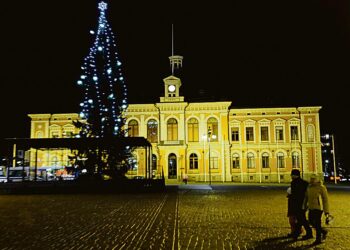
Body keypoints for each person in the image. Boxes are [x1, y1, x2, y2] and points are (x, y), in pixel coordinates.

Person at [303, 174, 330, 245]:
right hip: (311, 207)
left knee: (317, 223)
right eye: (311, 179)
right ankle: (323, 231)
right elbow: (306, 197)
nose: (312, 180)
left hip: (319, 208)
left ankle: (318, 239)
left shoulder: (321, 187)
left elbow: (325, 199)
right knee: (311, 221)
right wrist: (304, 206)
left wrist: (326, 211)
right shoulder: (309, 187)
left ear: (317, 179)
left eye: (313, 179)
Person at [290, 169, 313, 240]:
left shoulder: (295, 183)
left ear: (294, 175)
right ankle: (296, 233)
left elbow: (294, 194)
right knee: (300, 218)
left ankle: (308, 233)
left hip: (299, 203)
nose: (291, 176)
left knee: (301, 219)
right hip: (302, 203)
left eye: (292, 175)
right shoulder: (304, 183)